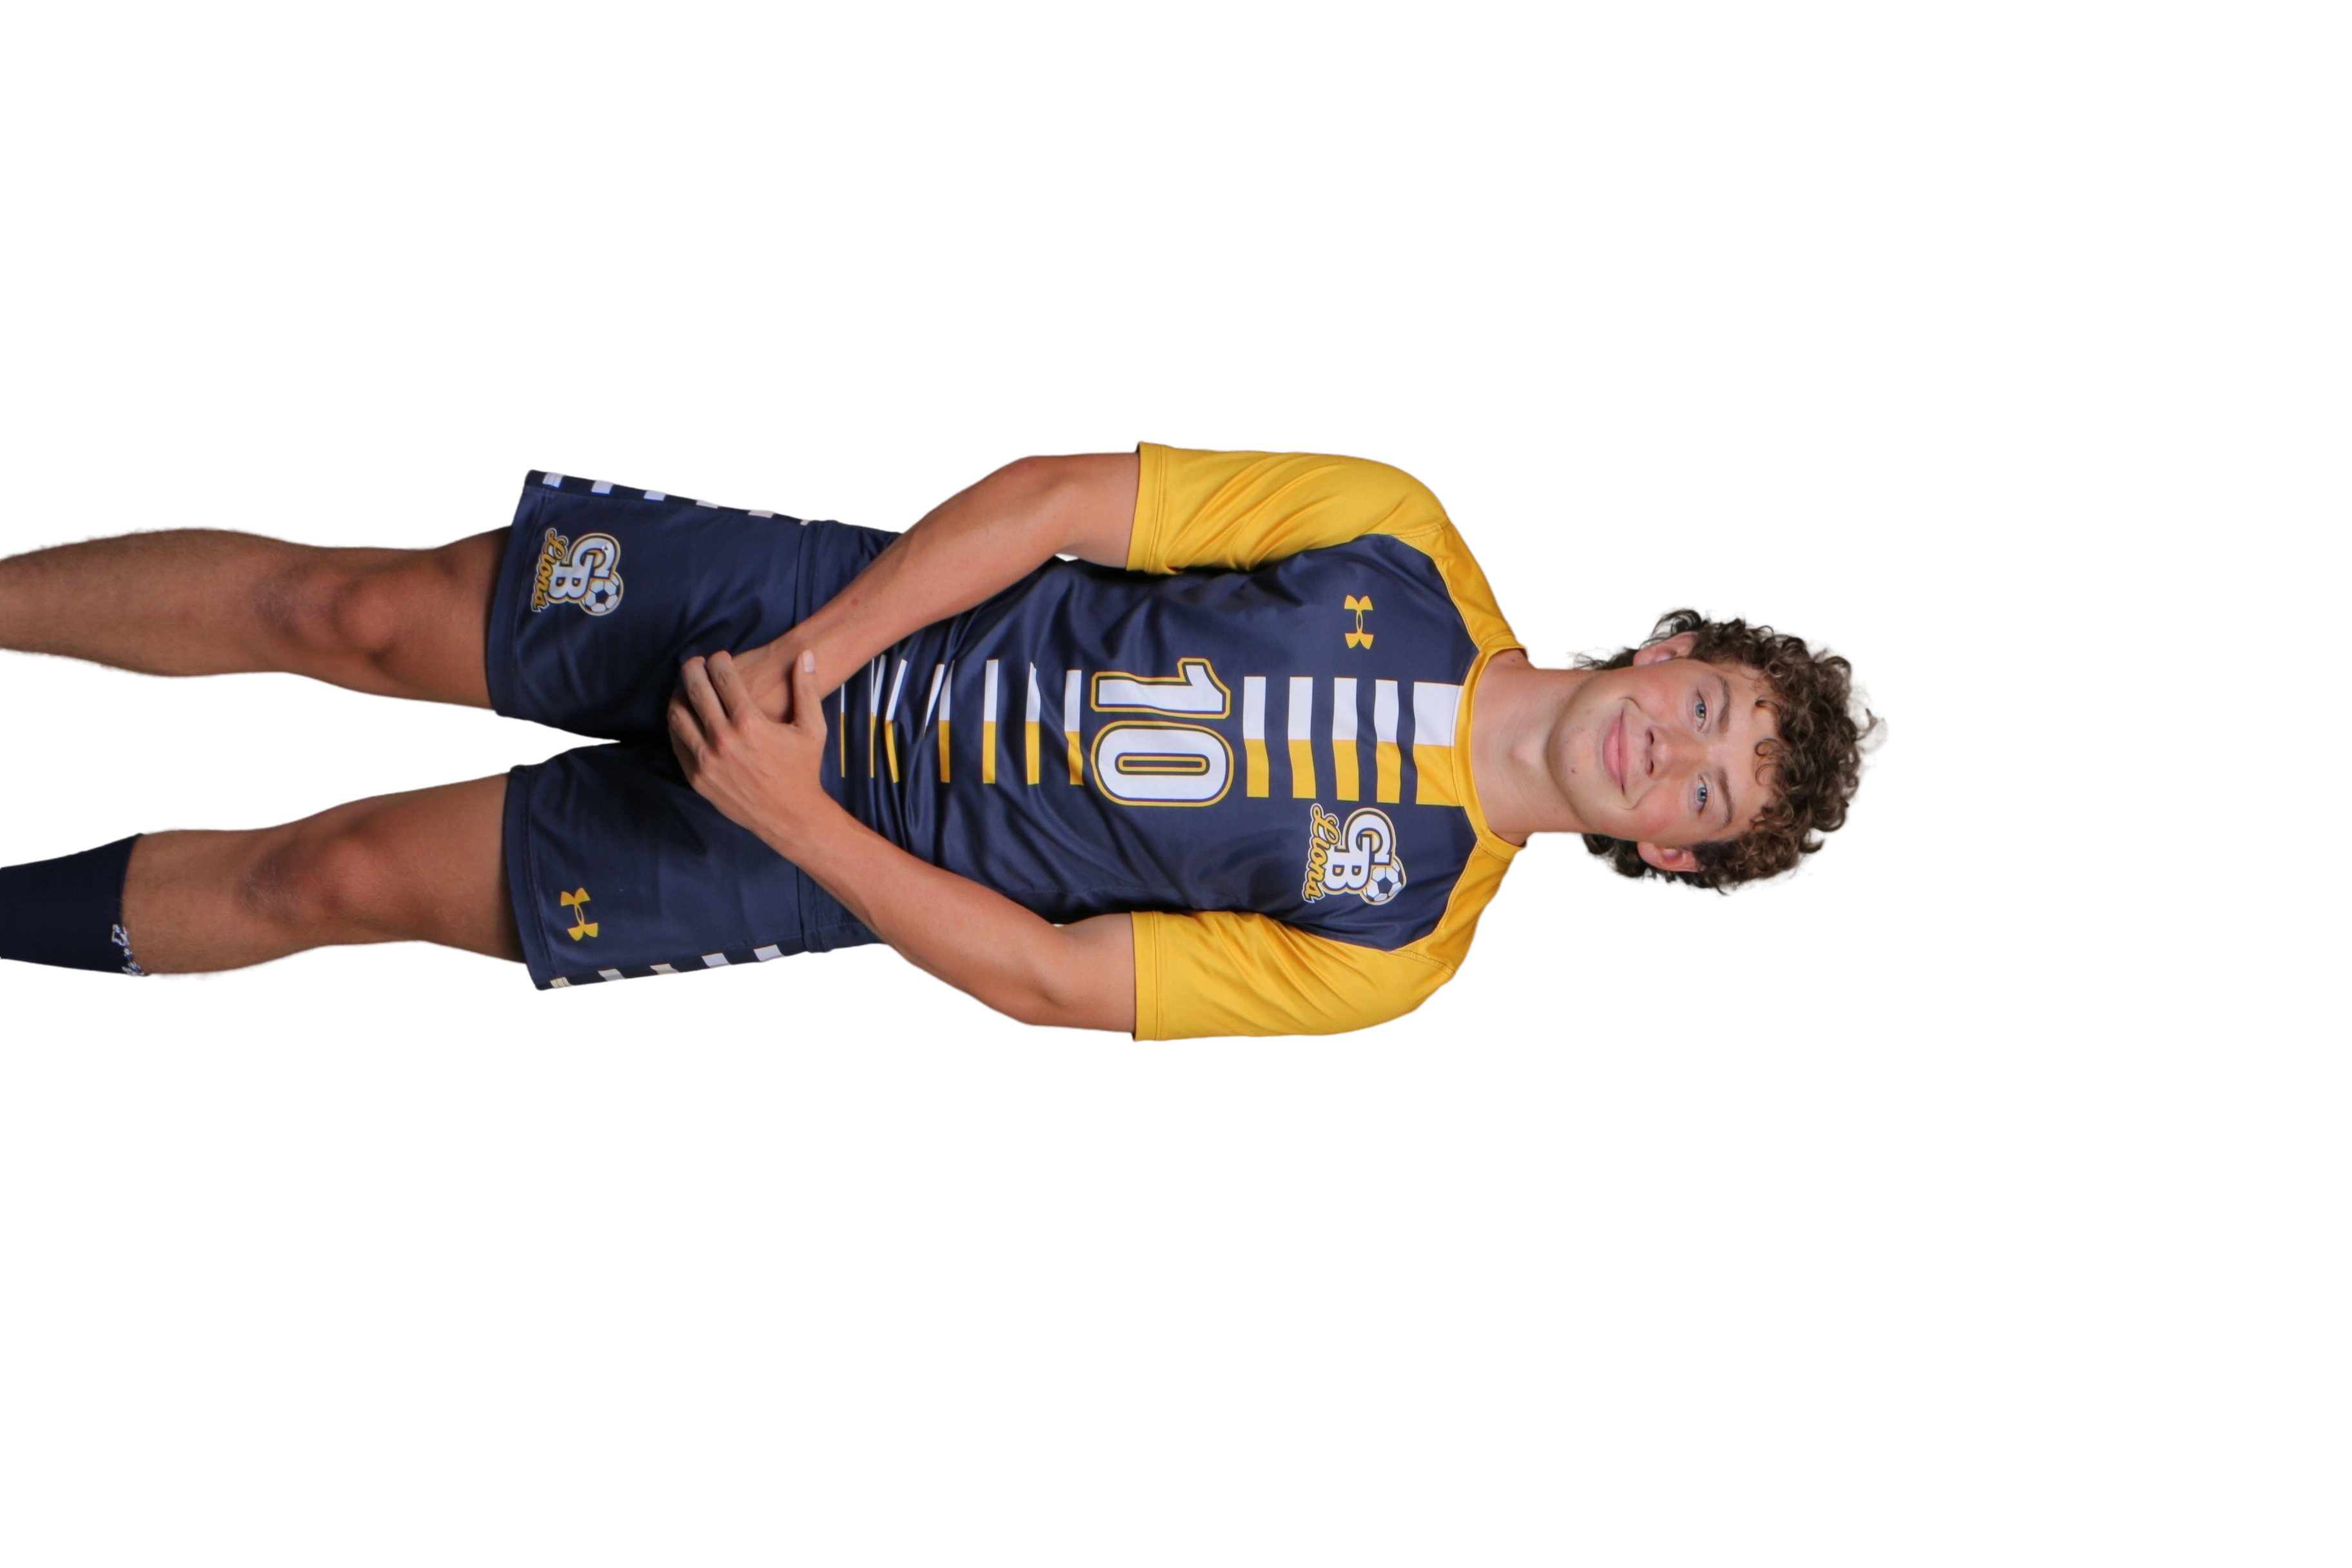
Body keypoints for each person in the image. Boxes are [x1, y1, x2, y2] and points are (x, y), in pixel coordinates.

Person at [0, 442, 1892, 1039]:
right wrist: (809, 664)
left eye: (1708, 798)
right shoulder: (1396, 538)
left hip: (792, 850)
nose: (1674, 755)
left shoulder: (1400, 948)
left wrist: (791, 810)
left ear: (1672, 854)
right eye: (1709, 711)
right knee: (343, 614)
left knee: (325, 877)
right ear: (1676, 647)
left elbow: (1057, 981)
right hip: (810, 621)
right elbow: (1062, 498)